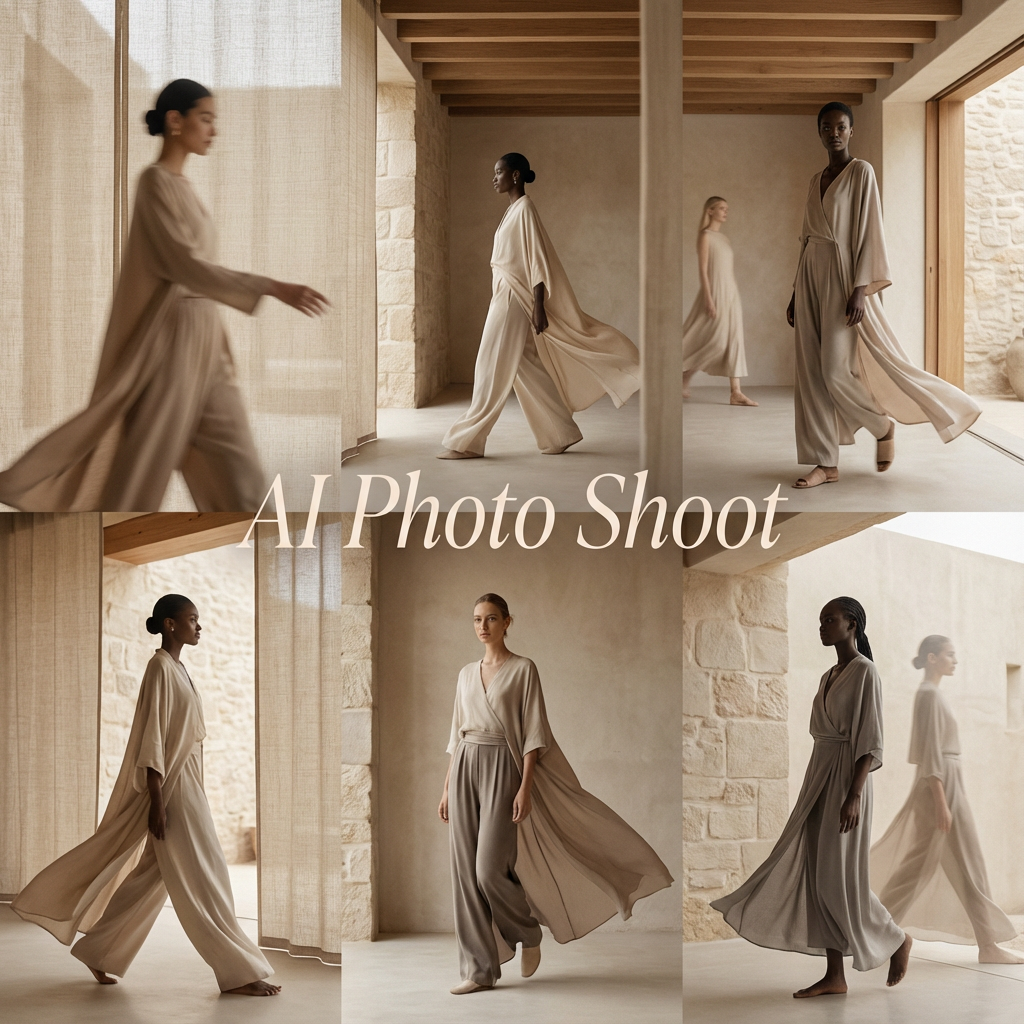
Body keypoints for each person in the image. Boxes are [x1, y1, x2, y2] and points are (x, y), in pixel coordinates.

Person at [0, 78, 328, 512]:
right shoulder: (153, 183)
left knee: (241, 471)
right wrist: (270, 286)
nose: (214, 130)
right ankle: (95, 532)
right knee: (141, 471)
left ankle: (260, 538)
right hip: (172, 345)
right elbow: (183, 265)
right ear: (176, 120)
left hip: (208, 342)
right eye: (206, 118)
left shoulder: (185, 188)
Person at [11, 594, 279, 996]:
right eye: (192, 619)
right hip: (172, 789)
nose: (199, 626)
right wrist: (156, 801)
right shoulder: (159, 668)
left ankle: (99, 952)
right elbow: (151, 740)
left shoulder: (178, 668)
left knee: (150, 879)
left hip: (188, 782)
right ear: (171, 625)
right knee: (209, 877)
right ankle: (239, 971)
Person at [437, 594, 673, 994]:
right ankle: (478, 971)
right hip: (463, 768)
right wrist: (445, 788)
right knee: (464, 876)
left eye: (491, 619)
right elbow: (455, 734)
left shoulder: (523, 669)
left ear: (508, 622)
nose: (483, 626)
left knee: (488, 871)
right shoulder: (464, 674)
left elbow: (533, 734)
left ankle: (528, 933)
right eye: (477, 619)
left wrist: (525, 787)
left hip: (503, 766)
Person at [711, 597, 913, 998]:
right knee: (818, 876)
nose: (822, 626)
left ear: (852, 624)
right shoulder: (829, 675)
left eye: (830, 620)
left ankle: (896, 938)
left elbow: (871, 741)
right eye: (820, 620)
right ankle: (835, 974)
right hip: (819, 777)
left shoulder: (865, 673)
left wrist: (854, 795)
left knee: (841, 879)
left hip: (846, 782)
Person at [787, 102, 979, 489]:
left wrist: (860, 288)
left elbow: (870, 228)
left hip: (843, 278)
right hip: (810, 273)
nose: (834, 133)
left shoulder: (862, 172)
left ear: (851, 131)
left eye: (841, 126)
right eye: (827, 127)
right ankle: (825, 463)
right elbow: (807, 238)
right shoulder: (815, 180)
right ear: (820, 132)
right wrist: (795, 291)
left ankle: (881, 425)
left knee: (834, 369)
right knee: (810, 374)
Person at [438, 153, 640, 459]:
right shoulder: (513, 211)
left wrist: (538, 305)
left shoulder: (525, 209)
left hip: (514, 298)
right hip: (506, 293)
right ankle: (560, 433)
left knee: (489, 365)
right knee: (526, 367)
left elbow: (537, 261)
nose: (494, 178)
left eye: (499, 172)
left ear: (515, 175)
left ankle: (468, 441)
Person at [871, 635, 1024, 963]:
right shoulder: (928, 696)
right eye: (949, 655)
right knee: (958, 864)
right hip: (941, 787)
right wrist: (941, 801)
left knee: (951, 866)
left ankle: (987, 945)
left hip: (945, 784)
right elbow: (929, 754)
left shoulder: (932, 695)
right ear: (931, 658)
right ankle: (872, 930)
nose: (955, 661)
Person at [682, 197, 757, 406]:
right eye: (722, 208)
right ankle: (682, 375)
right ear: (710, 211)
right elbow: (703, 271)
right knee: (714, 340)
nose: (726, 212)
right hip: (714, 294)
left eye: (727, 209)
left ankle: (736, 392)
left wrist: (731, 295)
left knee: (734, 339)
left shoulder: (724, 239)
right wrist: (708, 298)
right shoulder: (705, 236)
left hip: (731, 294)